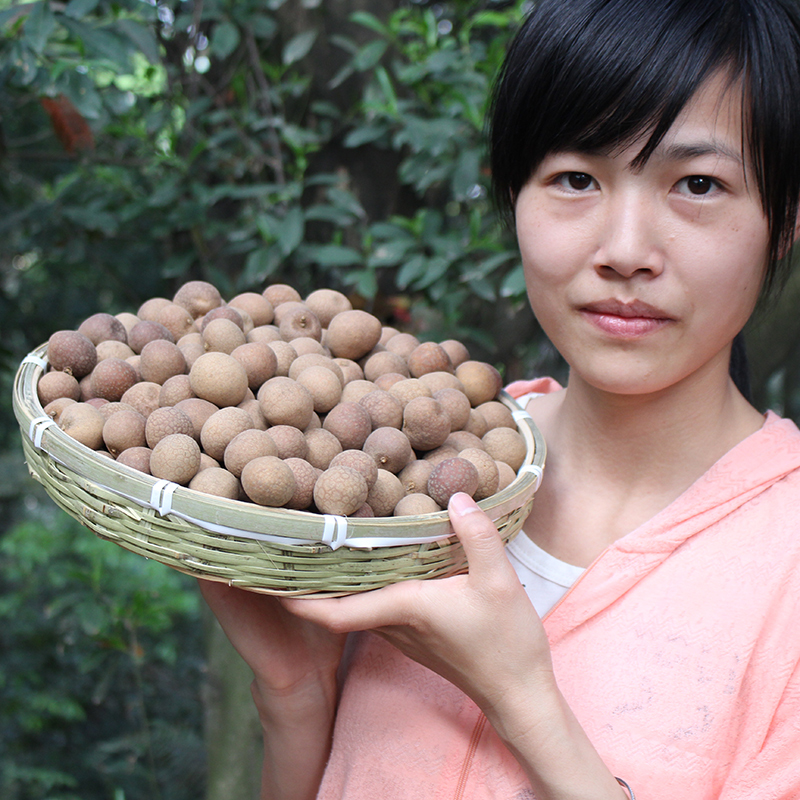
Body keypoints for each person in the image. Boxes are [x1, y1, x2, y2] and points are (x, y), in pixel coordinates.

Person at [199, 0, 800, 797]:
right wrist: (297, 695)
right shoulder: (403, 466)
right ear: (513, 194)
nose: (624, 251)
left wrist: (522, 698)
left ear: (786, 217)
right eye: (575, 179)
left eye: (698, 183)